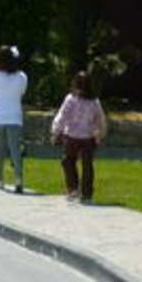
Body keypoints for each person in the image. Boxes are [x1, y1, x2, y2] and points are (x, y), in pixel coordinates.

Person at [50, 71, 107, 204]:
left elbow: (62, 116)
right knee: (87, 166)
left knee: (68, 162)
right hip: (88, 137)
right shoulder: (94, 101)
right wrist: (100, 133)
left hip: (72, 136)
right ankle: (86, 194)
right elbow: (100, 119)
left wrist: (55, 131)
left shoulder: (71, 99)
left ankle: (73, 189)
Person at [0, 45, 28, 192]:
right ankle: (18, 180)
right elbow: (21, 93)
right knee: (15, 150)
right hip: (14, 117)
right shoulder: (22, 77)